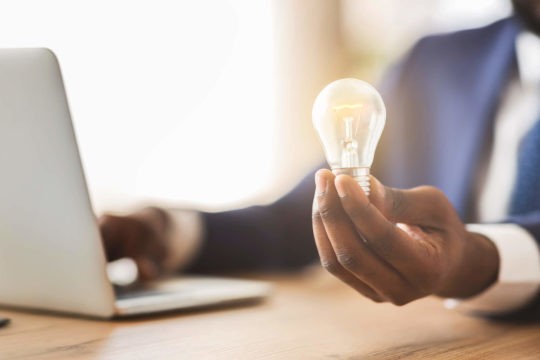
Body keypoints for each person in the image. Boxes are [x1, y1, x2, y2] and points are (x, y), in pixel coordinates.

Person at [100, 0, 540, 318]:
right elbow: (306, 217)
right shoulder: (438, 61)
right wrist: (165, 231)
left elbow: (463, 255)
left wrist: (476, 261)